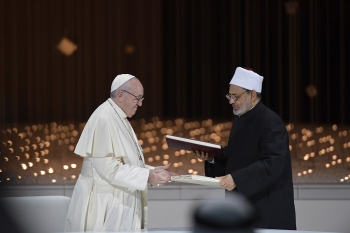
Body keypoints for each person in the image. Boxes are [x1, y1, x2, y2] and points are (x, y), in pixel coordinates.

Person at [65, 74, 176, 232]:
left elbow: (127, 163)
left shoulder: (118, 117)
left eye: (141, 98)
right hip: (103, 202)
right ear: (121, 95)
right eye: (137, 98)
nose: (140, 104)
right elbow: (108, 168)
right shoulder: (104, 118)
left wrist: (151, 172)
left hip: (118, 200)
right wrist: (147, 176)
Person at [195, 67, 296, 230]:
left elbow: (273, 164)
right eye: (229, 95)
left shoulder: (271, 122)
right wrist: (213, 157)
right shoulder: (241, 118)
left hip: (266, 209)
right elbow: (239, 156)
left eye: (235, 96)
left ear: (253, 94)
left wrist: (237, 179)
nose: (230, 101)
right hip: (243, 205)